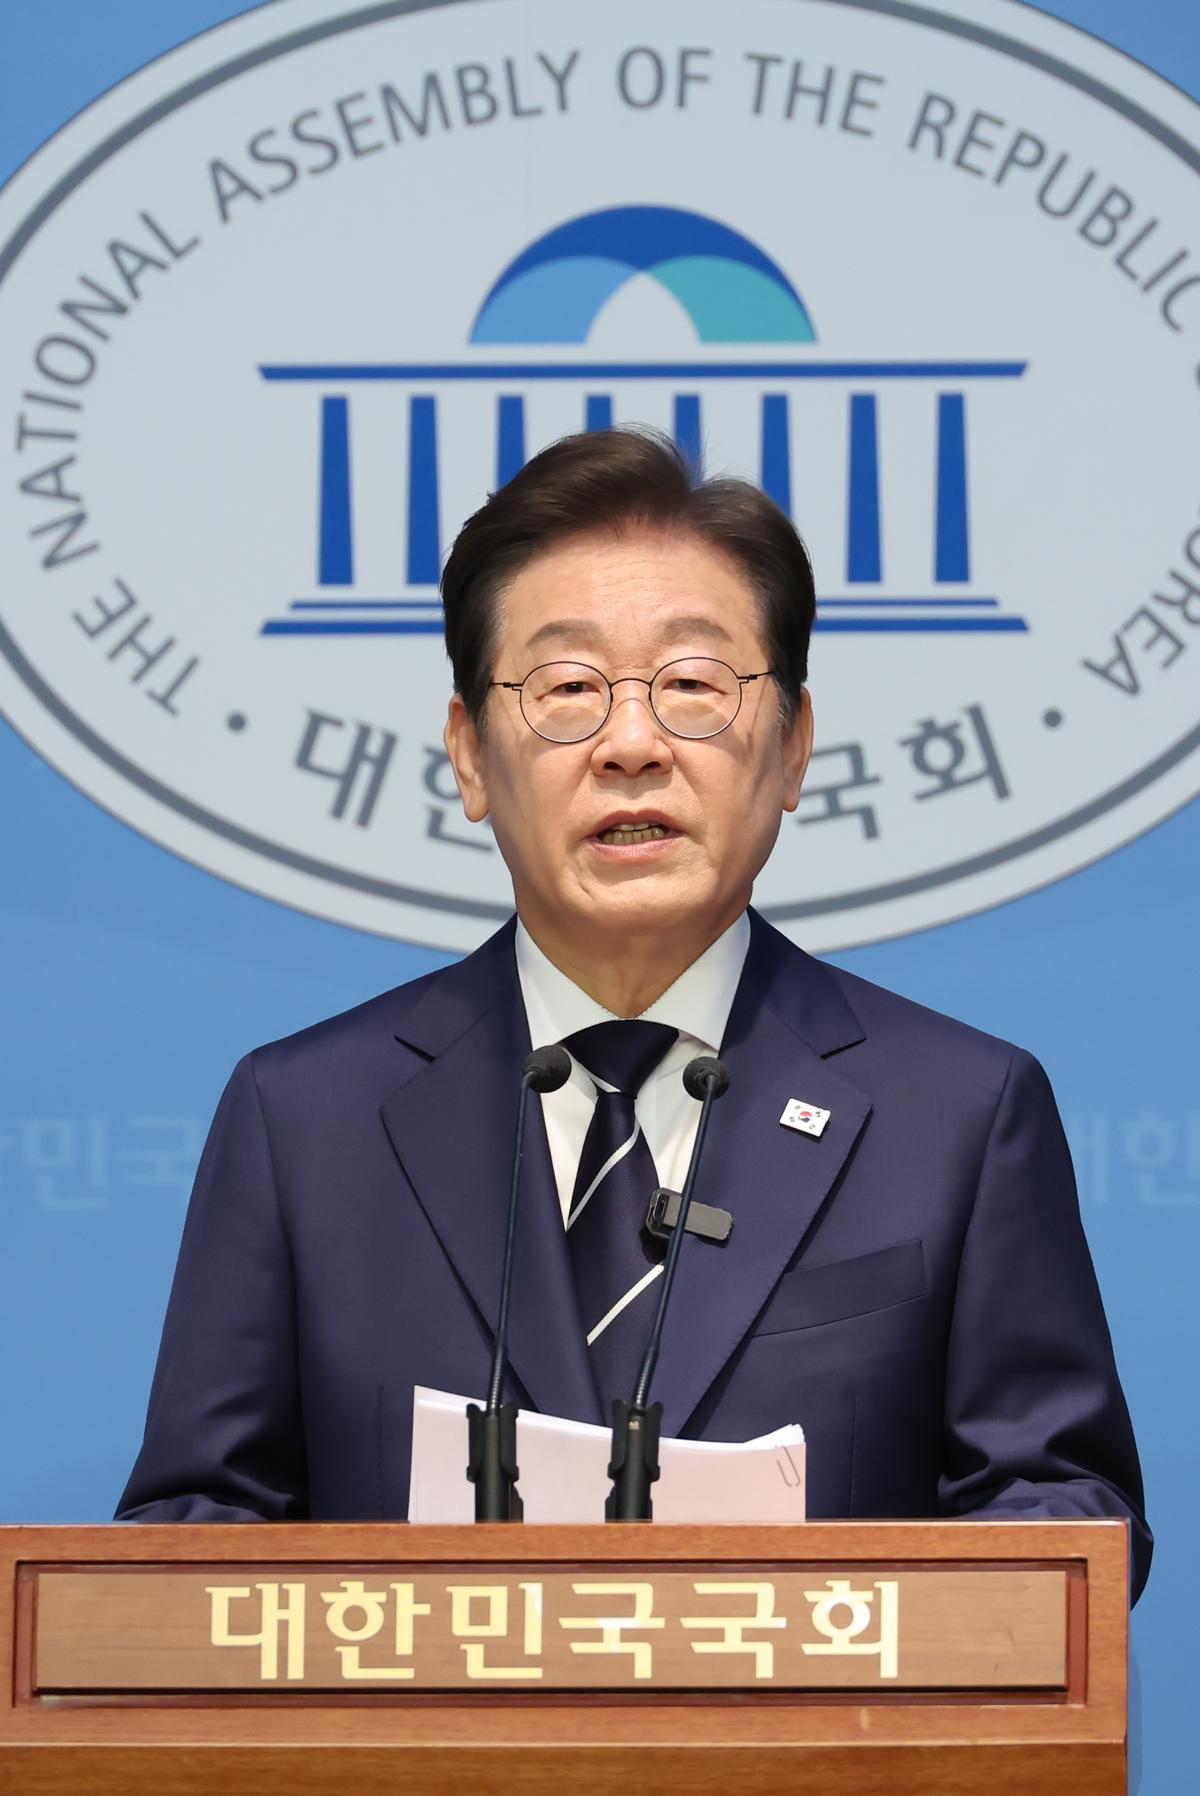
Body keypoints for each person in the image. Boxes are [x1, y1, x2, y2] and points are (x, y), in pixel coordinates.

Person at [116, 427, 1151, 1600]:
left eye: (694, 686)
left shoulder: (960, 1113)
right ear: (469, 755)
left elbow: (1064, 1522)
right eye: (567, 689)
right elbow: (194, 1536)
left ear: (793, 747)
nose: (631, 744)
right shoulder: (307, 1119)